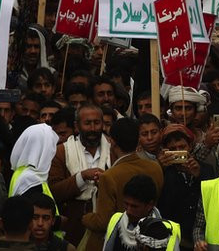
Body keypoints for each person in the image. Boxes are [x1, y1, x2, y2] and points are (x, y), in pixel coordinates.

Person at [82, 118, 164, 251]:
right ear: (138, 140)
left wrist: (85, 217)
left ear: (112, 141)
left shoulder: (109, 177)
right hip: (150, 238)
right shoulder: (155, 167)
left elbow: (103, 222)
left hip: (120, 243)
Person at [49, 104, 112, 246]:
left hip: (105, 225)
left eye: (97, 123)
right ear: (77, 126)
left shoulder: (113, 149)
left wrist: (106, 181)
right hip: (73, 227)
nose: (93, 128)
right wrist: (81, 177)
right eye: (88, 123)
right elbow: (53, 191)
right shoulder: (61, 152)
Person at [104, 175, 170, 251]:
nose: (128, 211)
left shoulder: (163, 232)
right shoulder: (116, 220)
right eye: (126, 204)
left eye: (134, 206)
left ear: (149, 205)